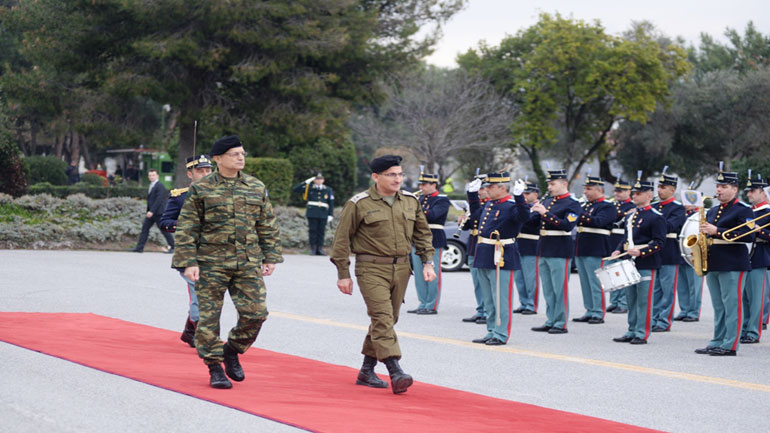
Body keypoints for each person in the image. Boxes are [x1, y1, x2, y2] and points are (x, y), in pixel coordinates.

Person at [172, 135, 283, 388]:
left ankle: (231, 350)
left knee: (256, 313)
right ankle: (214, 367)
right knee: (209, 318)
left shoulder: (255, 187)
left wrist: (271, 256)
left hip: (247, 263)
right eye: (235, 154)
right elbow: (187, 228)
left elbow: (266, 224)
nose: (241, 157)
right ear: (218, 159)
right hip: (211, 264)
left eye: (242, 153)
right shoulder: (202, 189)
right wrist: (189, 262)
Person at [330, 154, 435, 394]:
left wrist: (427, 262)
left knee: (386, 320)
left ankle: (366, 370)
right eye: (391, 175)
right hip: (370, 268)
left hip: (401, 269)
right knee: (383, 317)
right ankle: (395, 369)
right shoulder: (359, 203)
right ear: (376, 177)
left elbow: (423, 234)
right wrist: (343, 273)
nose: (398, 179)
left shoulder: (410, 201)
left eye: (399, 174)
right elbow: (341, 240)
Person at [694, 164, 754, 356]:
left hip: (733, 263)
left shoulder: (743, 210)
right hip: (715, 262)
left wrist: (717, 231)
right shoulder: (712, 211)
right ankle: (717, 340)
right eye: (718, 186)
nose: (719, 190)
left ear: (735, 189)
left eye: (724, 186)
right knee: (719, 306)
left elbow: (748, 236)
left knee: (732, 305)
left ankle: (730, 344)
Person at [159, 154, 213, 348]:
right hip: (189, 254)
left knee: (211, 297)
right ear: (190, 174)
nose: (206, 174)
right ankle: (204, 337)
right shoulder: (180, 197)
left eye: (208, 170)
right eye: (201, 171)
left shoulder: (220, 196)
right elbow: (165, 222)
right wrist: (185, 223)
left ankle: (189, 331)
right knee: (199, 296)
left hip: (214, 255)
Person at [470, 172, 529, 345]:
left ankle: (501, 333)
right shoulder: (490, 204)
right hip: (484, 253)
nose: (486, 189)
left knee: (501, 298)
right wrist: (472, 196)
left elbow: (525, 217)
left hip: (501, 254)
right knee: (488, 298)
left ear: (503, 188)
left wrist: (520, 198)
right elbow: (475, 215)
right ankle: (491, 330)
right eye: (486, 186)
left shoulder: (511, 206)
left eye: (490, 187)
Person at [610, 173, 666, 345]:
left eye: (638, 193)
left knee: (643, 300)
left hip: (645, 262)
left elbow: (659, 242)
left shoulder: (656, 216)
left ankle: (641, 332)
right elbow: (626, 238)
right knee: (631, 299)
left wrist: (642, 252)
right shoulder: (630, 215)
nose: (634, 196)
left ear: (649, 195)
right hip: (628, 261)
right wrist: (618, 250)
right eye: (633, 193)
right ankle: (631, 329)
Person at [530, 169, 582, 334]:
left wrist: (545, 213)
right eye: (549, 184)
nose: (550, 187)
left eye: (553, 184)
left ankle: (560, 322)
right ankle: (550, 319)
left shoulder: (572, 203)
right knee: (548, 288)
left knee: (559, 288)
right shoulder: (548, 201)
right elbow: (534, 224)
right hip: (544, 247)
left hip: (560, 248)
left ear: (564, 184)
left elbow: (567, 225)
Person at [573, 175, 615, 324]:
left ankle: (598, 311)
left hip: (596, 248)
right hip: (582, 247)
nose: (585, 192)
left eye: (589, 189)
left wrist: (580, 215)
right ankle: (589, 309)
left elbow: (600, 221)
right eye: (585, 188)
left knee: (595, 282)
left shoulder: (607, 206)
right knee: (585, 281)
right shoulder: (584, 206)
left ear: (599, 190)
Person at [407, 172, 450, 314]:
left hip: (434, 239)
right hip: (417, 239)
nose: (421, 187)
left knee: (432, 272)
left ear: (433, 185)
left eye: (424, 184)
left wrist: (413, 207)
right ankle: (423, 302)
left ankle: (432, 304)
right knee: (419, 273)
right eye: (420, 184)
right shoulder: (419, 199)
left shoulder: (441, 200)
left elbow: (432, 215)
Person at [650, 169, 686, 332]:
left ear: (672, 190)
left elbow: (670, 226)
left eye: (663, 187)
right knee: (655, 288)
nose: (659, 190)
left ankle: (664, 321)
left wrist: (652, 222)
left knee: (667, 289)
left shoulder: (678, 208)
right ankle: (653, 318)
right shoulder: (653, 206)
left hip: (669, 251)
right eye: (659, 186)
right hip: (653, 251)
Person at [740, 173, 769, 344]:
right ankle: (744, 328)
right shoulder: (745, 211)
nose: (749, 194)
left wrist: (760, 231)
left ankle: (753, 331)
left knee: (756, 298)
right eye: (748, 191)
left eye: (753, 191)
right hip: (743, 256)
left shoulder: (767, 212)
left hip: (758, 256)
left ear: (763, 192)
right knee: (744, 297)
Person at [461, 173, 490, 324]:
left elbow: (480, 220)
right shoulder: (475, 205)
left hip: (483, 244)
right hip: (473, 244)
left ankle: (487, 311)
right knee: (476, 282)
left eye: (482, 189)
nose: (480, 192)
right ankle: (480, 309)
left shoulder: (489, 204)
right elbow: (467, 226)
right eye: (479, 189)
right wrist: (463, 220)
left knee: (484, 281)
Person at [513, 179, 541, 315]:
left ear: (535, 194)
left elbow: (529, 220)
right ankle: (523, 302)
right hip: (519, 244)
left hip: (532, 245)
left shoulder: (539, 207)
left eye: (527, 193)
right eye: (523, 193)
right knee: (519, 278)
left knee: (531, 278)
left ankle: (531, 304)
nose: (524, 196)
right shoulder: (523, 207)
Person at [131, 169, 175, 253]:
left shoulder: (160, 186)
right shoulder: (152, 185)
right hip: (151, 213)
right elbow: (151, 200)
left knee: (164, 230)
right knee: (145, 229)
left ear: (157, 176)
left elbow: (159, 200)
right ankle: (139, 248)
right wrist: (149, 211)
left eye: (153, 175)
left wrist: (152, 211)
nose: (151, 177)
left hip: (159, 213)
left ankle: (173, 247)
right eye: (150, 175)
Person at [607, 179, 634, 314]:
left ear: (628, 192)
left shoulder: (633, 206)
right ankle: (614, 301)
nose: (617, 193)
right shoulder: (612, 205)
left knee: (623, 273)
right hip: (612, 240)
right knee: (612, 273)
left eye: (620, 191)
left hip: (624, 240)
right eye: (616, 191)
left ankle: (623, 303)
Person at [675, 202, 705, 322]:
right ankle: (684, 309)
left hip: (694, 253)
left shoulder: (700, 216)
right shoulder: (681, 214)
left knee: (694, 285)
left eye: (690, 201)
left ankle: (693, 311)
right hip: (680, 251)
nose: (686, 204)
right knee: (682, 284)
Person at [292, 173, 334, 255]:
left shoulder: (328, 189)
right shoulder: (309, 188)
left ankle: (320, 249)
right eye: (317, 179)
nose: (319, 181)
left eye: (320, 179)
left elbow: (331, 203)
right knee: (313, 231)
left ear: (323, 180)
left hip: (323, 213)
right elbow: (295, 189)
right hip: (312, 213)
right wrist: (306, 182)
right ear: (314, 180)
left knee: (321, 232)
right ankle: (313, 249)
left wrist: (330, 214)